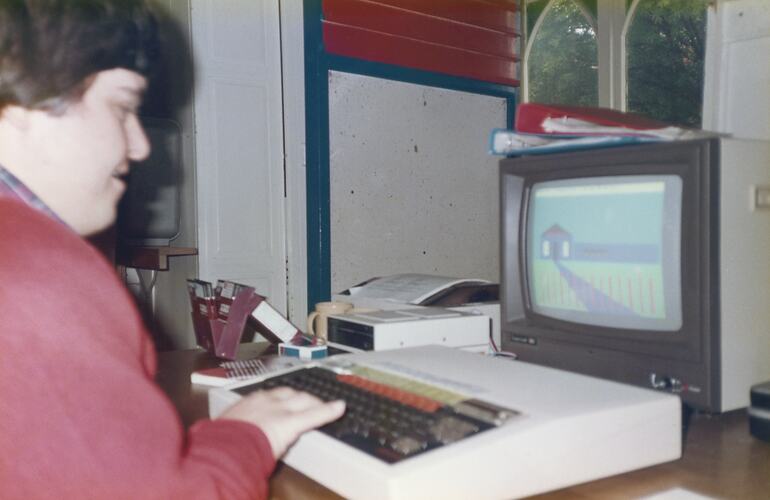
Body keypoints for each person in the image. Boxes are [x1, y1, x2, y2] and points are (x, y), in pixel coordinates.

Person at [0, 1, 345, 498]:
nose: (140, 146)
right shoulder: (36, 277)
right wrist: (248, 434)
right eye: (122, 107)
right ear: (20, 107)